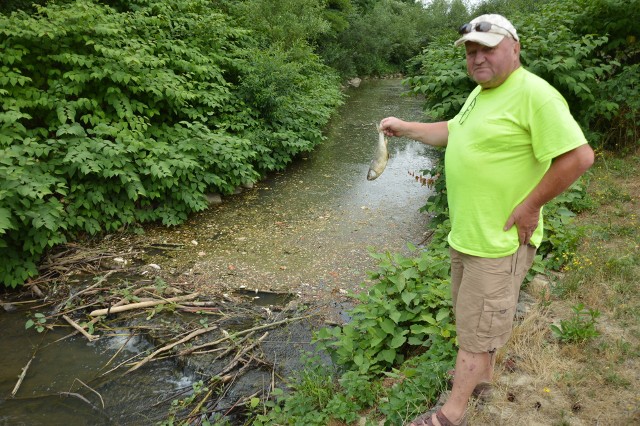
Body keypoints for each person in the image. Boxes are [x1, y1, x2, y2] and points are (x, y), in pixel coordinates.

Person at [380, 14, 595, 426]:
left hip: (499, 240)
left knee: (476, 332)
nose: (478, 58)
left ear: (514, 47)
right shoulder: (481, 93)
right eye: (471, 51)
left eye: (488, 49)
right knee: (475, 322)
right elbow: (454, 132)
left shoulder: (535, 94)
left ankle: (451, 414)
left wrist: (531, 205)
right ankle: (484, 381)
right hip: (469, 235)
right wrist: (405, 128)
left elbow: (579, 157)